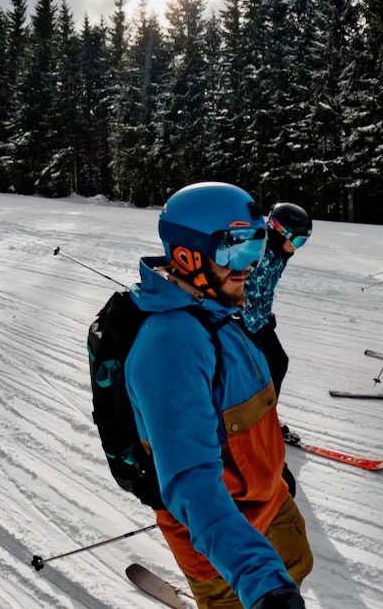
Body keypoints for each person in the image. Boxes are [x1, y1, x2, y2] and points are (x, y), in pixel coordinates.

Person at [125, 182, 312, 609]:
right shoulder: (170, 345)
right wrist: (262, 582)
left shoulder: (220, 312)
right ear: (187, 254)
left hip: (270, 505)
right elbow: (192, 483)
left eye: (255, 248)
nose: (247, 267)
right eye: (233, 252)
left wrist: (273, 471)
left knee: (297, 570)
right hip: (225, 550)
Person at [242, 203, 312, 473]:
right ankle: (252, 424)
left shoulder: (278, 254)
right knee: (256, 370)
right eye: (295, 240)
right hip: (238, 323)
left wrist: (265, 314)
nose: (297, 247)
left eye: (302, 242)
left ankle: (266, 418)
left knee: (277, 363)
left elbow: (264, 290)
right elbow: (237, 286)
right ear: (279, 232)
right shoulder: (256, 251)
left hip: (257, 320)